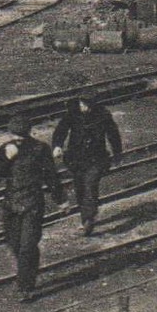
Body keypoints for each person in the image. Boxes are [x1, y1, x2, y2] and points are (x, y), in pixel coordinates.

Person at [0, 114, 67, 300]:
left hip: (32, 204)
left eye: (21, 136)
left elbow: (51, 176)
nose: (18, 140)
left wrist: (61, 200)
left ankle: (26, 287)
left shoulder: (40, 149)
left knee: (27, 247)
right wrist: (6, 159)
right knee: (15, 244)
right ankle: (30, 269)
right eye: (16, 136)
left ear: (27, 133)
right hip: (11, 204)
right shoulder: (6, 149)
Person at [51, 98, 124, 236]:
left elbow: (113, 134)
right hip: (76, 159)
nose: (85, 108)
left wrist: (117, 154)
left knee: (90, 185)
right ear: (79, 103)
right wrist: (57, 146)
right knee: (79, 187)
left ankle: (88, 219)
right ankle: (86, 216)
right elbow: (61, 131)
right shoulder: (72, 114)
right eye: (83, 104)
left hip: (97, 159)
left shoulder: (103, 115)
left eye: (88, 105)